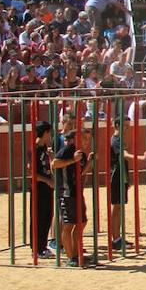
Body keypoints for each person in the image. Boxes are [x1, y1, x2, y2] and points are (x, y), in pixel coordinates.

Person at [50, 113, 93, 266]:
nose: (87, 141)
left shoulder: (81, 153)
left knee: (81, 222)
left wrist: (88, 163)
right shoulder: (68, 150)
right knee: (69, 225)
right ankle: (70, 257)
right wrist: (72, 160)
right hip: (67, 192)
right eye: (85, 138)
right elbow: (54, 164)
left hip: (76, 192)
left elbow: (80, 173)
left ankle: (76, 253)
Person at [107, 120, 146, 251]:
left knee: (119, 207)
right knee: (117, 207)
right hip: (116, 176)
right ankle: (115, 238)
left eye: (127, 126)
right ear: (117, 125)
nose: (126, 128)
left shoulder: (119, 139)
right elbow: (124, 155)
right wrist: (141, 158)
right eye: (124, 126)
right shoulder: (115, 140)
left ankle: (117, 237)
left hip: (121, 176)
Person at [31, 120, 56, 260]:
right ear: (45, 132)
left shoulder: (45, 148)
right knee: (38, 217)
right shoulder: (34, 148)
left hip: (47, 187)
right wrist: (47, 180)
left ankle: (42, 246)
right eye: (49, 133)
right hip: (39, 187)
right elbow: (31, 171)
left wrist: (51, 157)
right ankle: (37, 248)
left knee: (47, 216)